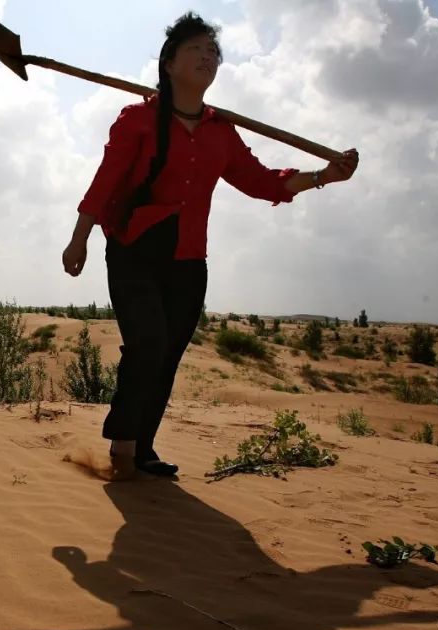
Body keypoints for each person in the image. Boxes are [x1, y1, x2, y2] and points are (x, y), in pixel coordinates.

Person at [61, 12, 358, 477]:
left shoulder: (221, 131)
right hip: (134, 248)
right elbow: (105, 183)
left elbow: (261, 181)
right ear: (168, 61)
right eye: (195, 49)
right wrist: (77, 239)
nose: (207, 57)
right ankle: (122, 448)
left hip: (187, 258)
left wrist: (323, 176)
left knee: (168, 353)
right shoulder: (138, 119)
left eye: (213, 51)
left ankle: (143, 449)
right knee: (148, 344)